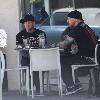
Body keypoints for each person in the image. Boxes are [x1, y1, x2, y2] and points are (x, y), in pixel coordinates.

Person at [57, 10, 97, 95]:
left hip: (87, 59)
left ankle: (71, 87)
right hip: (93, 57)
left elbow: (65, 44)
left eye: (69, 19)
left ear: (75, 19)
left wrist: (55, 45)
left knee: (62, 60)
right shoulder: (86, 27)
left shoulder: (77, 29)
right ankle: (76, 84)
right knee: (68, 57)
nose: (67, 21)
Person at [16, 14, 46, 93]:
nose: (27, 24)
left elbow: (43, 47)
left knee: (37, 65)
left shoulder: (41, 34)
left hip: (40, 57)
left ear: (33, 23)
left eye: (29, 22)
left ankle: (34, 85)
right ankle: (38, 87)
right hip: (27, 58)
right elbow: (20, 48)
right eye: (25, 23)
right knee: (29, 64)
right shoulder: (19, 35)